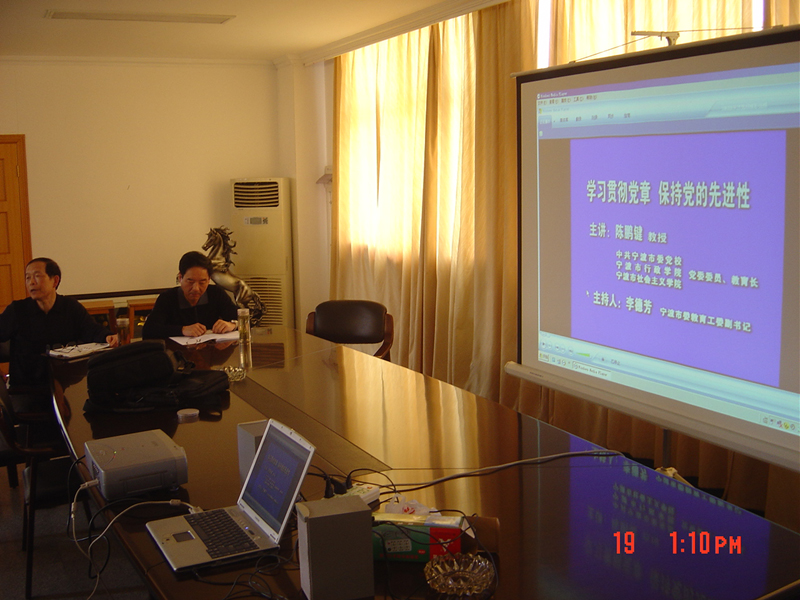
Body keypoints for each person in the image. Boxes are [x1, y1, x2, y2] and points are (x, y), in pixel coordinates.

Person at [0, 257, 119, 392]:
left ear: (55, 281)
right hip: (27, 388)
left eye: (37, 276)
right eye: (28, 278)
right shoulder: (17, 310)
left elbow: (91, 329)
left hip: (66, 384)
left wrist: (107, 336)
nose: (31, 282)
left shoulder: (70, 307)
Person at [142, 251, 238, 340]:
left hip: (210, 350)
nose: (196, 288)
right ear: (180, 278)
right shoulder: (167, 298)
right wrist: (182, 330)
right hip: (176, 351)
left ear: (209, 279)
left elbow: (243, 317)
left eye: (202, 282)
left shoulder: (216, 293)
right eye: (190, 281)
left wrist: (233, 324)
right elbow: (149, 330)